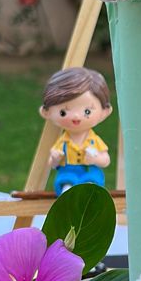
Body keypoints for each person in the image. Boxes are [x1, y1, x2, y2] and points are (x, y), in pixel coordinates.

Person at [40, 67, 112, 197]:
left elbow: (106, 160)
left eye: (87, 111)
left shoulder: (94, 141)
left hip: (90, 171)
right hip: (68, 173)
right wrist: (55, 159)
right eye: (63, 112)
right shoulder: (63, 142)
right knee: (67, 189)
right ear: (46, 112)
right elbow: (53, 164)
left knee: (91, 189)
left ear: (104, 112)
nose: (76, 117)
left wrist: (95, 159)